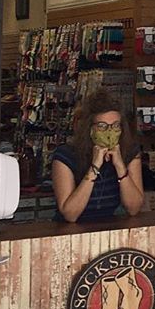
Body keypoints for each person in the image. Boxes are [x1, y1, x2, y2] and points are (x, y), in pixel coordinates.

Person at [52, 90, 144, 223]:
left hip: (108, 228)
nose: (109, 132)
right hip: (69, 231)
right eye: (102, 126)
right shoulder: (66, 155)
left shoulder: (130, 152)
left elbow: (134, 208)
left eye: (115, 126)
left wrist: (120, 166)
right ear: (89, 129)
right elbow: (70, 214)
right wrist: (94, 167)